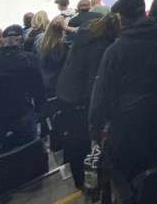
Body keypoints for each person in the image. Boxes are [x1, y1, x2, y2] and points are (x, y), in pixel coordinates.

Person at [89, 0, 157, 183]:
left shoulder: (114, 51)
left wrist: (95, 130)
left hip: (131, 122)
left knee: (135, 171)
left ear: (122, 19)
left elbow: (101, 94)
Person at [56, 14, 117, 189]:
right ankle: (86, 183)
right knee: (82, 140)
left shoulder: (87, 30)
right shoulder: (100, 47)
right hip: (77, 98)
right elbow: (94, 87)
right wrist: (96, 123)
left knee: (74, 138)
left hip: (66, 91)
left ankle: (80, 178)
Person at [0, 25, 46, 156]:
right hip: (21, 111)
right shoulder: (30, 59)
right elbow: (39, 88)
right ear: (21, 40)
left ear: (2, 42)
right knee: (30, 148)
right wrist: (40, 107)